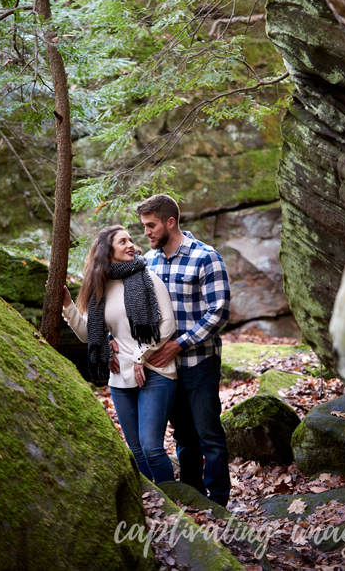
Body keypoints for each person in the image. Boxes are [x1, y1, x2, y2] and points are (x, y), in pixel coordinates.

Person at [61, 224, 177, 484]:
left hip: (155, 370)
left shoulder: (147, 277)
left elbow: (167, 324)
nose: (131, 245)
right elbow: (88, 334)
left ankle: (175, 507)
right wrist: (68, 306)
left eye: (130, 240)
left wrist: (140, 355)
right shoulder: (99, 287)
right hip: (120, 376)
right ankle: (154, 506)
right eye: (122, 241)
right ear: (107, 251)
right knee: (135, 451)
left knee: (151, 448)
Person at [136, 194, 231, 506]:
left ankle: (218, 504)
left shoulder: (206, 258)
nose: (146, 232)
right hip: (166, 369)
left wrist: (179, 343)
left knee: (210, 437)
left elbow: (219, 312)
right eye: (144, 226)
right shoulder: (147, 263)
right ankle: (195, 499)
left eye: (151, 225)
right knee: (184, 439)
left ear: (170, 222)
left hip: (200, 362)